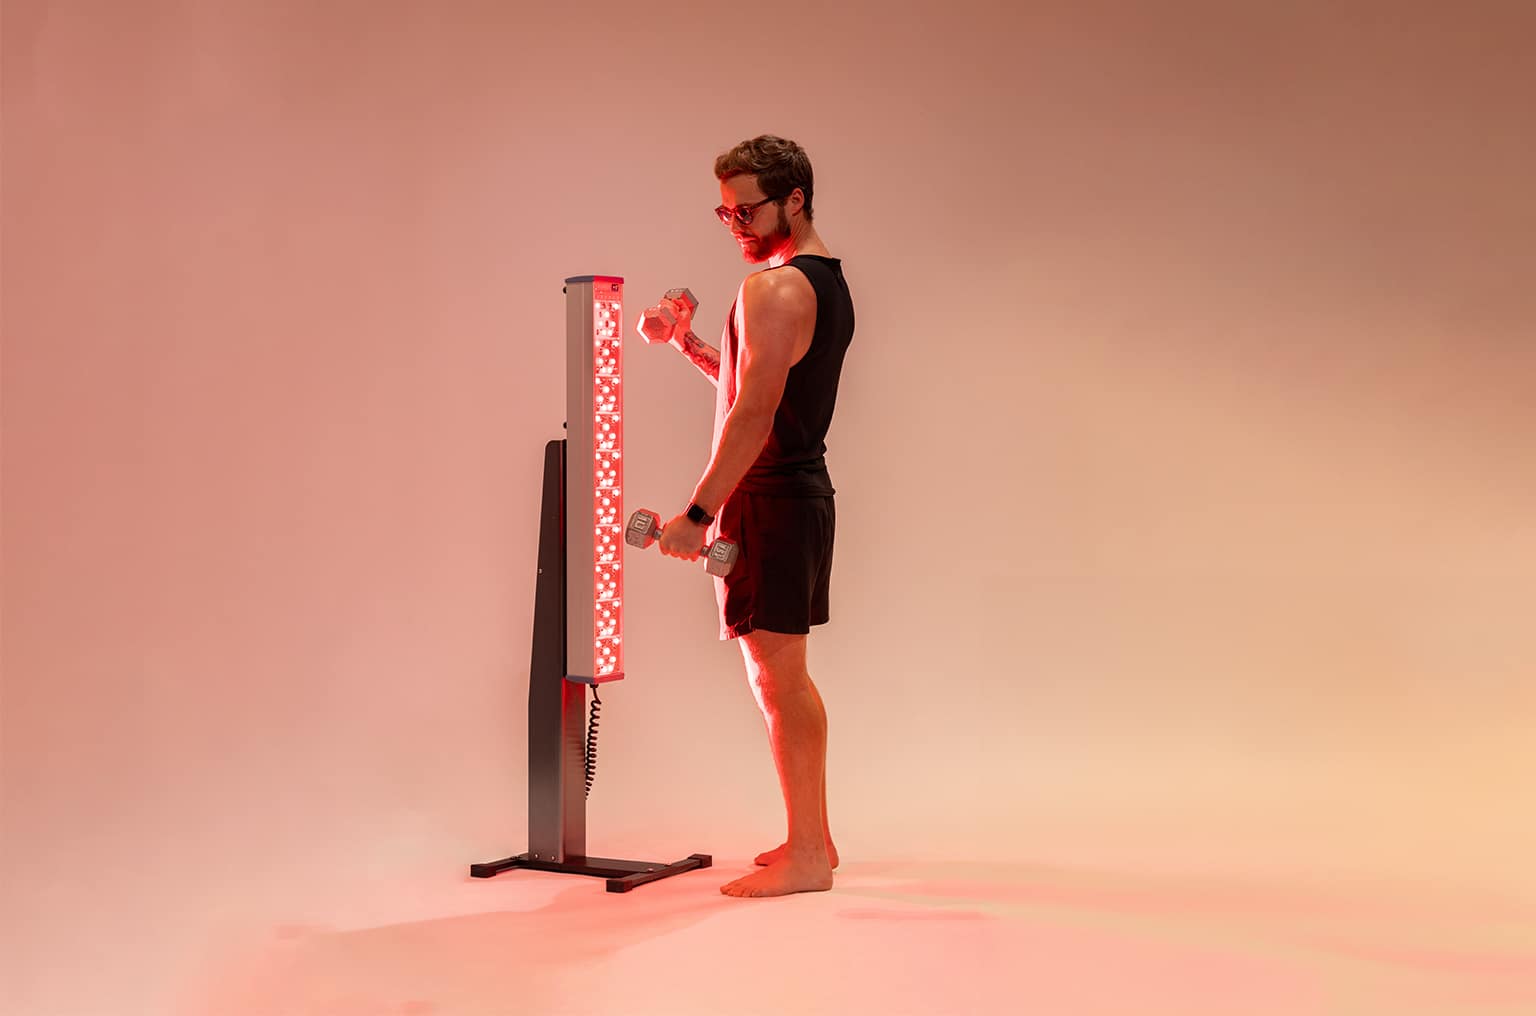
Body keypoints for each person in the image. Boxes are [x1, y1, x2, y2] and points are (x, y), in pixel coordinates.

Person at [640, 135, 855, 898]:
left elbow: (755, 411)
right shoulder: (819, 283)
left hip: (770, 501)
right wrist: (689, 344)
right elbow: (756, 383)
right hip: (794, 497)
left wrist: (699, 512)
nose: (733, 224)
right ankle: (815, 840)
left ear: (794, 198)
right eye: (724, 211)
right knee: (780, 679)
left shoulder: (773, 290)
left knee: (780, 680)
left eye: (747, 209)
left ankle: (806, 857)